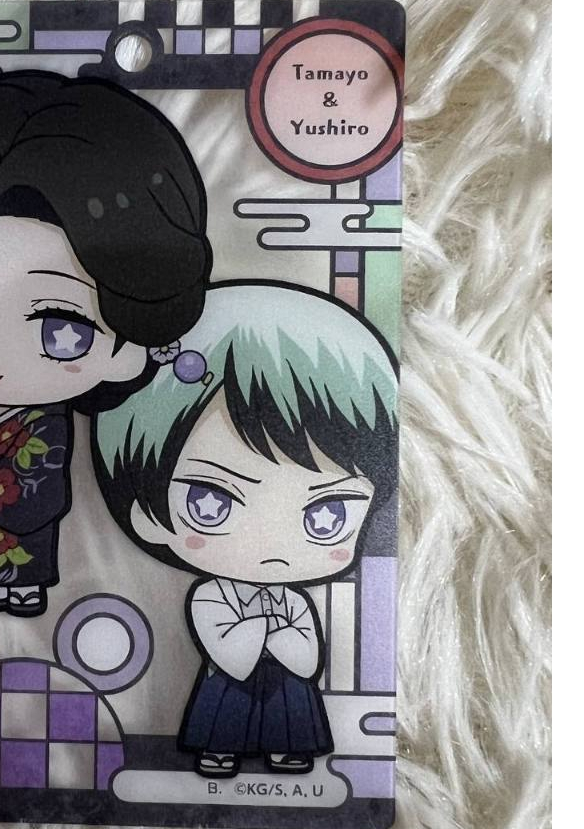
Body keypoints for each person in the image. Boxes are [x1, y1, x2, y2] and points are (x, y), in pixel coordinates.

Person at [0, 71, 212, 616]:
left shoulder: (45, 426)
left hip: (14, 521)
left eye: (60, 330)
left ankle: (20, 589)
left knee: (18, 567)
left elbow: (38, 484)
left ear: (128, 344)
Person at [92, 281, 398, 776]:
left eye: (328, 514)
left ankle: (288, 750)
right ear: (148, 514)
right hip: (230, 686)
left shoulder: (292, 601)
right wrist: (272, 630)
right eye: (211, 503)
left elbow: (306, 660)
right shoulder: (211, 596)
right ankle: (219, 751)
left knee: (292, 711)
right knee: (223, 710)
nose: (274, 545)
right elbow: (231, 658)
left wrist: (271, 633)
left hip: (287, 691)